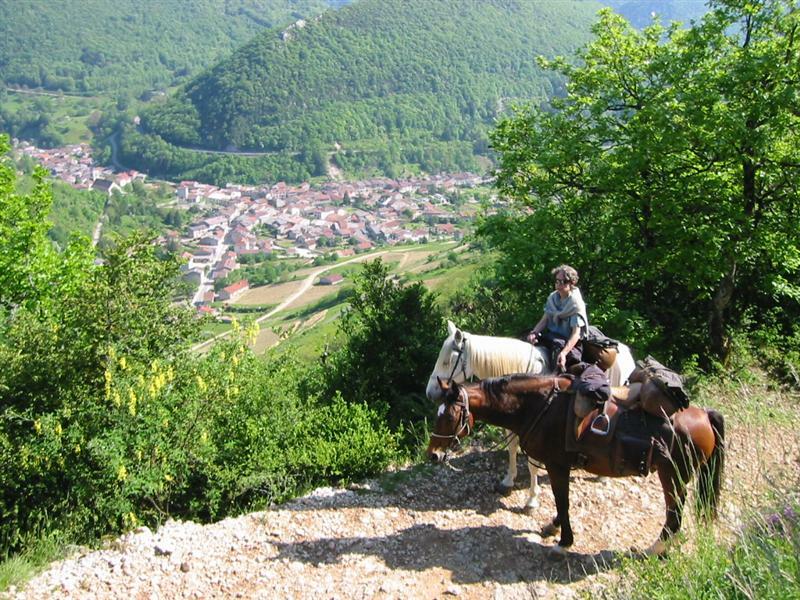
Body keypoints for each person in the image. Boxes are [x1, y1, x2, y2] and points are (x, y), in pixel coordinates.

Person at [526, 265, 588, 372]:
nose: (559, 284)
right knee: (526, 338)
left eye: (563, 281)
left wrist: (564, 353)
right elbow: (545, 320)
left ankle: (557, 383)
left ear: (571, 283)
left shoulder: (575, 304)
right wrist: (534, 332)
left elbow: (575, 334)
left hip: (568, 343)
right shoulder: (552, 298)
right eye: (557, 281)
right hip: (552, 337)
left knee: (558, 358)